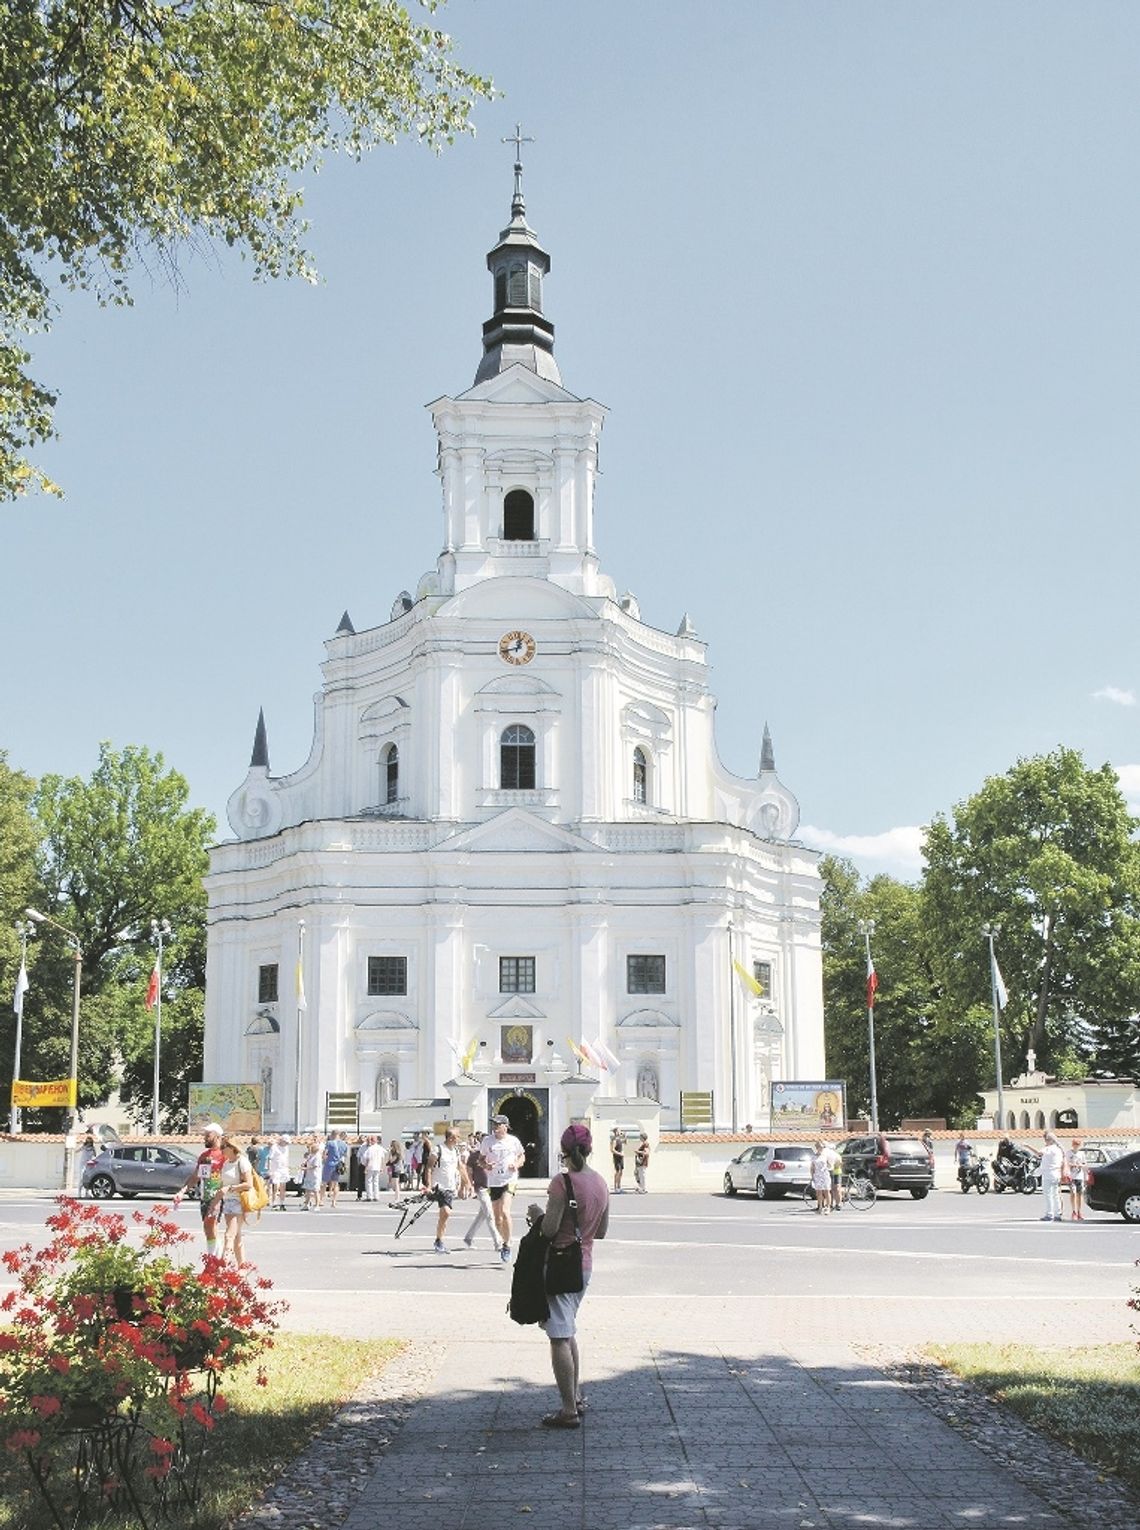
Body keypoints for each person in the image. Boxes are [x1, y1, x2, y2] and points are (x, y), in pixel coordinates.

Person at [535, 1123, 609, 1429]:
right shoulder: (601, 1182)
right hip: (585, 1264)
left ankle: (568, 1410)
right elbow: (602, 1231)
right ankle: (575, 1396)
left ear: (564, 1152)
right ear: (589, 1150)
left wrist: (535, 1216)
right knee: (568, 1331)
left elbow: (549, 1229)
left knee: (558, 1338)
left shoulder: (562, 1182)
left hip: (561, 1265)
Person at [481, 1113, 526, 1263]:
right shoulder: (487, 1141)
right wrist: (486, 1165)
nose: (495, 1127)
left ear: (505, 1126)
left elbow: (522, 1156)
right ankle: (502, 1241)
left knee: (505, 1211)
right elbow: (480, 1160)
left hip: (509, 1179)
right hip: (493, 1181)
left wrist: (516, 1164)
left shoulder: (513, 1141)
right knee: (497, 1218)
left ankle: (508, 1244)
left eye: (498, 1125)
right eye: (494, 1124)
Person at [174, 1124, 226, 1255]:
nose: (205, 1138)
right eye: (205, 1135)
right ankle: (214, 1259)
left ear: (218, 1136)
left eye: (208, 1135)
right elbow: (196, 1176)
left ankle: (213, 1261)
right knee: (208, 1228)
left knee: (212, 1225)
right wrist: (182, 1191)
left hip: (218, 1196)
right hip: (205, 1196)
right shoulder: (204, 1156)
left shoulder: (225, 1154)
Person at [430, 1129, 471, 1252]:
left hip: (450, 1186)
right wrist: (427, 1185)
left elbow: (461, 1167)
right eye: (458, 1137)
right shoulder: (438, 1149)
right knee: (446, 1212)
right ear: (451, 1138)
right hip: (439, 1186)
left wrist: (467, 1182)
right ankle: (439, 1240)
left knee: (444, 1215)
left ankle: (439, 1240)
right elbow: (428, 1168)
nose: (459, 1139)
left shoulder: (456, 1151)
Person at [462, 1136, 503, 1254]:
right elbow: (468, 1171)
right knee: (490, 1215)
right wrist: (470, 1185)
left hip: (493, 1188)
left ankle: (468, 1238)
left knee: (482, 1215)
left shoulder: (494, 1155)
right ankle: (497, 1242)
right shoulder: (475, 1156)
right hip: (481, 1188)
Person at [219, 1136, 254, 1264]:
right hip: (227, 1202)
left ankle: (223, 1265)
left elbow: (248, 1184)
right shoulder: (226, 1163)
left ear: (232, 1148)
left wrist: (231, 1188)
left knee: (229, 1235)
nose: (221, 1150)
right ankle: (242, 1266)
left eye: (224, 1147)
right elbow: (222, 1184)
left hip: (238, 1202)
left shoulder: (242, 1162)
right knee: (236, 1236)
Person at [1039, 1130, 1065, 1222]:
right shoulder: (1059, 1150)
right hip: (1056, 1174)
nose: (1045, 1142)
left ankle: (1049, 1214)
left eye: (1046, 1140)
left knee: (1048, 1195)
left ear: (1049, 1140)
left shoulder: (1049, 1149)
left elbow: (1039, 1153)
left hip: (1048, 1174)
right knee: (1056, 1195)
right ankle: (1058, 1214)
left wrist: (1027, 1146)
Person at [320, 1132, 346, 1207]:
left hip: (329, 1164)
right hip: (338, 1165)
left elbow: (325, 1153)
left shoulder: (329, 1143)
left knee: (324, 1183)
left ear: (332, 1135)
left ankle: (321, 1200)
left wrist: (323, 1160)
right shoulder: (344, 1144)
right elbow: (344, 1154)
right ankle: (334, 1201)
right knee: (336, 1183)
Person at [267, 1134, 291, 1210]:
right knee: (276, 1187)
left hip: (284, 1169)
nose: (287, 1144)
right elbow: (270, 1159)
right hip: (276, 1170)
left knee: (283, 1187)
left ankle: (282, 1203)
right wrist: (270, 1170)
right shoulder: (274, 1147)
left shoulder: (286, 1148)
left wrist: (287, 1167)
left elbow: (286, 1158)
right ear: (282, 1141)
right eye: (286, 1142)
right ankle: (274, 1203)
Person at [1066, 1138, 1087, 1221]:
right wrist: (1072, 1164)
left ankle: (1079, 1211)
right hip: (1071, 1176)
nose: (1076, 1146)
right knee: (1073, 1193)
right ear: (1072, 1144)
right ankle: (1073, 1211)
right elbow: (1066, 1163)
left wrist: (1080, 1165)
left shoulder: (1081, 1154)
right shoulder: (1068, 1153)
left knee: (1080, 1194)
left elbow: (1084, 1163)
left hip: (1079, 1176)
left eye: (1078, 1145)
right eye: (1075, 1144)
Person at [809, 1140, 831, 1214]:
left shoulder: (825, 1156)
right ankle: (820, 1207)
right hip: (817, 1175)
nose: (820, 1148)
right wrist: (812, 1176)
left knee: (827, 1191)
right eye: (819, 1147)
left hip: (825, 1175)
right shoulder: (814, 1157)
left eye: (822, 1147)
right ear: (816, 1148)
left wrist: (827, 1167)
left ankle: (828, 1207)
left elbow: (830, 1165)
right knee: (819, 1192)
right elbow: (812, 1167)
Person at [362, 1135, 386, 1201]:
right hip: (377, 1166)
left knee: (369, 1181)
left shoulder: (370, 1149)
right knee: (376, 1182)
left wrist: (366, 1167)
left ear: (371, 1141)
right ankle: (376, 1196)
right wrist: (382, 1167)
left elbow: (367, 1159)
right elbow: (382, 1158)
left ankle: (369, 1196)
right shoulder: (380, 1148)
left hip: (370, 1167)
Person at [300, 1136, 321, 1210]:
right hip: (309, 1175)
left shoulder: (317, 1156)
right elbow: (307, 1162)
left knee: (315, 1191)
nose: (309, 1149)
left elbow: (315, 1166)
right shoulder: (310, 1156)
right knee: (307, 1190)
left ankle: (317, 1205)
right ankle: (306, 1204)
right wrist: (304, 1164)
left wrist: (305, 1168)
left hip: (315, 1176)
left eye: (310, 1148)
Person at [76, 1130, 99, 1197]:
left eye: (90, 1142)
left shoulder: (92, 1148)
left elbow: (95, 1155)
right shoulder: (84, 1147)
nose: (88, 1143)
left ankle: (86, 1193)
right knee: (81, 1178)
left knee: (88, 1178)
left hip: (89, 1164)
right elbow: (77, 1151)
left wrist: (93, 1151)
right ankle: (79, 1193)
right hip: (83, 1164)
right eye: (87, 1142)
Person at [826, 1140, 843, 1210]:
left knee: (836, 1188)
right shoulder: (830, 1155)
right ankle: (832, 1204)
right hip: (831, 1172)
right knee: (832, 1189)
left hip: (836, 1173)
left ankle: (838, 1204)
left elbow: (840, 1164)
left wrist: (834, 1166)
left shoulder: (837, 1155)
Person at [610, 1128, 626, 1193]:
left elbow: (625, 1142)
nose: (620, 1132)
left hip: (621, 1158)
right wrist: (620, 1154)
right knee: (617, 1171)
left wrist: (625, 1136)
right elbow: (612, 1150)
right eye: (619, 1131)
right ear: (616, 1132)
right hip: (617, 1157)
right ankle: (616, 1187)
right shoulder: (614, 1140)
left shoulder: (619, 1139)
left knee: (621, 1172)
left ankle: (619, 1186)